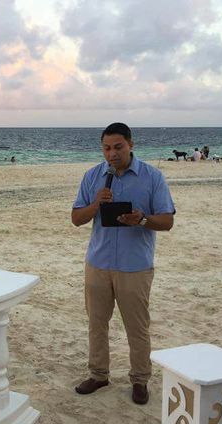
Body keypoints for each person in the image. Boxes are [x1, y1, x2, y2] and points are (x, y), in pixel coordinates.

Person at [71, 123, 175, 405]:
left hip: (135, 266)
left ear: (130, 144)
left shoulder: (152, 177)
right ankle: (99, 374)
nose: (112, 154)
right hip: (98, 263)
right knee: (96, 324)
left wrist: (141, 219)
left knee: (137, 327)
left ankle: (140, 379)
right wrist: (96, 205)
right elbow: (77, 218)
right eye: (106, 148)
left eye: (118, 147)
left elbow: (167, 221)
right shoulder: (93, 176)